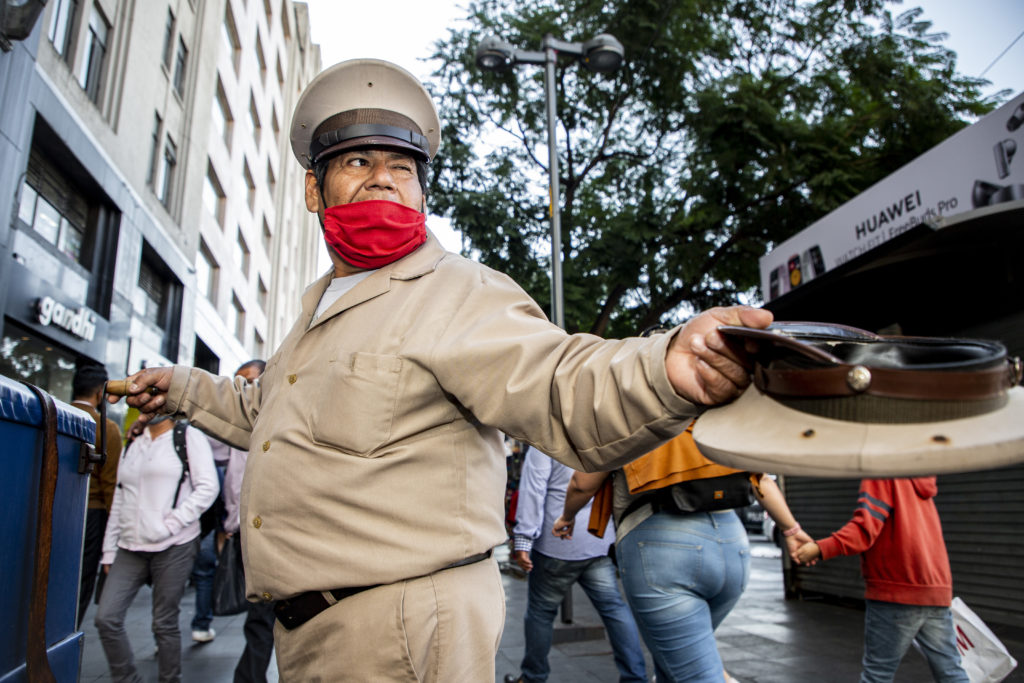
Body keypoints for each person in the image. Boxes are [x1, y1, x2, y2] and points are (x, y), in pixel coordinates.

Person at [111, 58, 773, 681]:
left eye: (403, 166)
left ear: (423, 190)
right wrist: (184, 389)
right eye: (357, 161)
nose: (382, 177)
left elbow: (558, 379)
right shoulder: (318, 309)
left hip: (402, 631)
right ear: (315, 189)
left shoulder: (456, 291)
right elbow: (266, 415)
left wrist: (664, 367)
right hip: (318, 633)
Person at [553, 430, 810, 683]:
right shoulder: (712, 417)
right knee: (672, 664)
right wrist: (792, 529)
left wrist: (567, 516)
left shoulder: (633, 416)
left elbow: (582, 484)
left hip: (662, 551)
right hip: (733, 546)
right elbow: (761, 480)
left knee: (696, 673)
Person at [794, 478, 970, 683]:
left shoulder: (883, 476)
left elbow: (864, 529)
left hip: (896, 590)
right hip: (935, 591)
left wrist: (820, 548)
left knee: (877, 675)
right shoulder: (921, 479)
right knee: (951, 671)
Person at [504, 446, 646, 683]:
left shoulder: (546, 440)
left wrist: (524, 538)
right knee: (614, 609)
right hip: (597, 537)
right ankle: (635, 677)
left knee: (540, 612)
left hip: (556, 541)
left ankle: (533, 677)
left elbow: (533, 488)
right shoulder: (601, 432)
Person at [94, 416, 218, 683]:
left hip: (174, 544)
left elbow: (208, 488)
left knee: (164, 623)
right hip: (129, 545)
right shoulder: (135, 441)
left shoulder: (188, 437)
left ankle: (169, 679)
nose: (146, 405)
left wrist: (170, 523)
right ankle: (127, 679)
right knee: (106, 618)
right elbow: (120, 496)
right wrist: (109, 549)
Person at [216, 360, 277, 683]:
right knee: (255, 614)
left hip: (270, 536)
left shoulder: (278, 427)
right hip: (239, 533)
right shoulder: (235, 431)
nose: (245, 390)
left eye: (251, 383)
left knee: (261, 617)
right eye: (239, 383)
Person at [70, 364, 123, 627]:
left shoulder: (54, 416)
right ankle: (67, 633)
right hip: (91, 513)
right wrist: (116, 529)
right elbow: (110, 482)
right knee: (81, 580)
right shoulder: (106, 427)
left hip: (46, 509)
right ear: (100, 393)